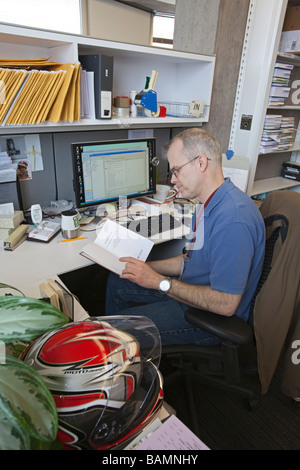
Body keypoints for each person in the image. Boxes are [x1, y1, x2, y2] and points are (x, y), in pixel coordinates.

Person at [105, 128, 265, 346]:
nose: (172, 180)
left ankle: (127, 348)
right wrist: (146, 267)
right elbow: (189, 261)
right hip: (189, 292)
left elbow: (226, 304)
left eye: (177, 170)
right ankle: (137, 352)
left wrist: (157, 281)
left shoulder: (233, 221)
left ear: (201, 163)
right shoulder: (208, 203)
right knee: (119, 279)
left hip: (208, 317)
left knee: (116, 332)